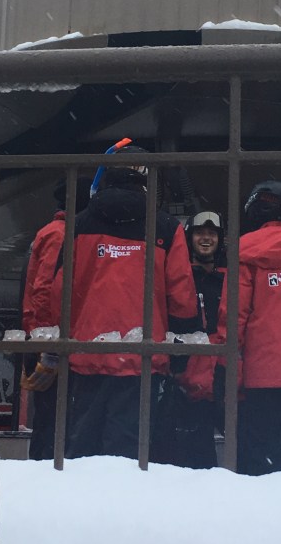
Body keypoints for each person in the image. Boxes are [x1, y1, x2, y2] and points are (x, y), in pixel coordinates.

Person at [30, 142, 200, 460]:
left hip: (86, 354)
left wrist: (53, 341)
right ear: (147, 181)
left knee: (83, 447)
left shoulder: (79, 225)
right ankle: (120, 507)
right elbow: (182, 295)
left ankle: (84, 507)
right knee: (128, 452)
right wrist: (183, 344)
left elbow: (56, 292)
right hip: (142, 356)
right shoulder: (165, 227)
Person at [217, 180, 281, 476]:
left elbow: (233, 315)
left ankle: (262, 519)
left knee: (259, 461)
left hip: (260, 377)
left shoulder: (243, 252)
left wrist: (226, 364)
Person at [20, 176, 91, 460]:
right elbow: (46, 289)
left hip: (43, 335)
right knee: (56, 420)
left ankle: (45, 467)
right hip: (51, 341)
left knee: (50, 419)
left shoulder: (51, 231)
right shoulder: (62, 234)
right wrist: (49, 341)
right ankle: (49, 471)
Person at [152, 211, 226, 468]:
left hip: (222, 379)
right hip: (183, 379)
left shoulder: (230, 276)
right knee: (180, 454)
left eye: (212, 234)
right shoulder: (178, 276)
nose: (206, 239)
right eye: (199, 233)